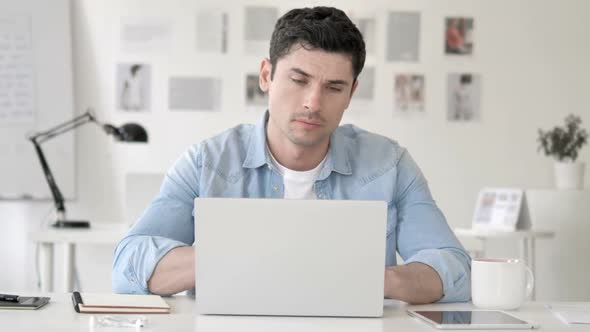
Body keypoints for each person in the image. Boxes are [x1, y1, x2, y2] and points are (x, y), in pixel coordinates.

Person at [112, 6, 471, 304]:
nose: (312, 103)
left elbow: (454, 268)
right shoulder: (208, 162)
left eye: (333, 88)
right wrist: (241, 257)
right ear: (266, 75)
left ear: (351, 93)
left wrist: (375, 280)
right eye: (299, 80)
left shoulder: (389, 166)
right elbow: (128, 264)